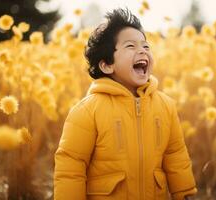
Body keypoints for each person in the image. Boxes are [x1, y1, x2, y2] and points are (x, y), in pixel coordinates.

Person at [54, 8, 197, 200]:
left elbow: (175, 155)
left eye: (146, 46)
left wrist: (185, 193)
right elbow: (71, 166)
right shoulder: (88, 111)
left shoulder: (165, 106)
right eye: (130, 46)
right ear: (106, 65)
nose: (142, 51)